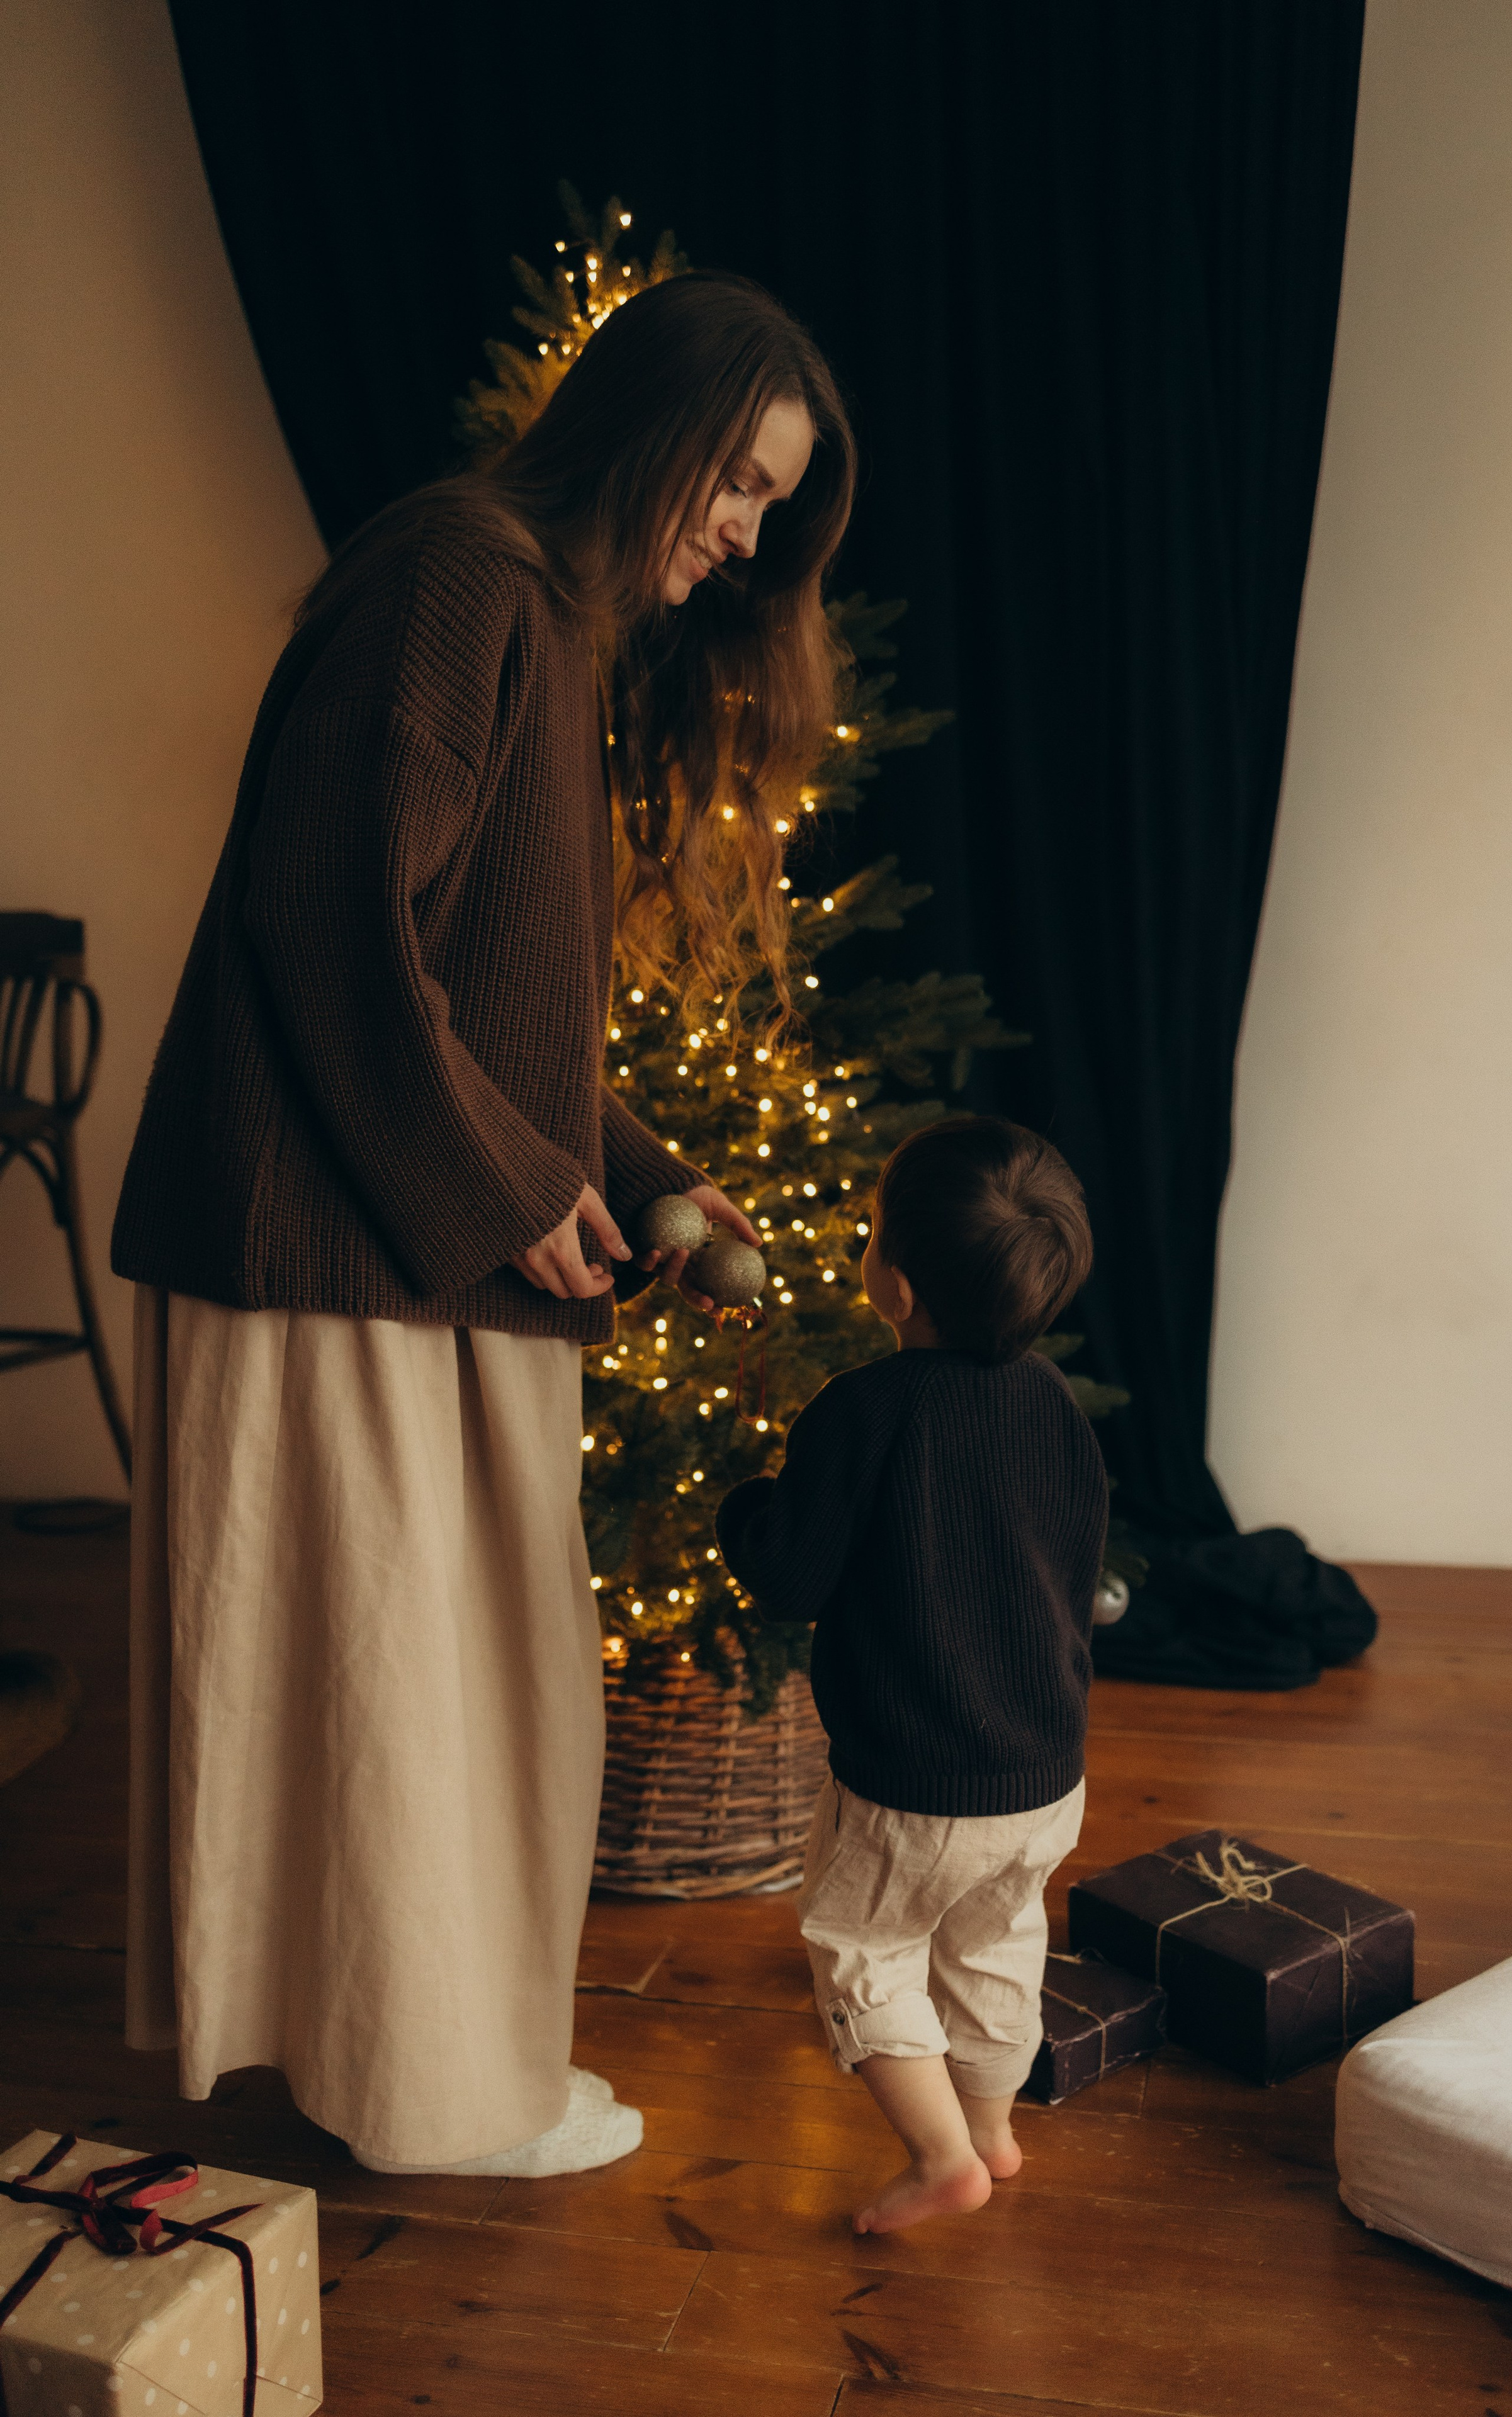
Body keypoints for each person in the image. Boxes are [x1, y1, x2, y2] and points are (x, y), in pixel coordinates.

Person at [112, 273, 855, 2177]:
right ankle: (432, 2093)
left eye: (776, 505)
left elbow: (482, 997)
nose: (747, 532)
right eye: (742, 484)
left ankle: (415, 2073)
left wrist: (640, 1173)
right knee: (400, 1696)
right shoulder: (458, 571)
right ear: (662, 427)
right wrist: (521, 1191)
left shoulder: (540, 617)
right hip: (325, 1254)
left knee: (429, 1689)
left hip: (379, 1239)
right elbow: (327, 916)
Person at [715, 1116, 1107, 2232]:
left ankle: (943, 2159)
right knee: (996, 1943)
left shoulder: (865, 1413)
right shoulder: (1055, 1409)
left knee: (865, 1949)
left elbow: (790, 1576)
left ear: (893, 1281)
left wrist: (746, 1509)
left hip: (912, 1783)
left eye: (873, 1226)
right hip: (1044, 1773)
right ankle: (990, 2129)